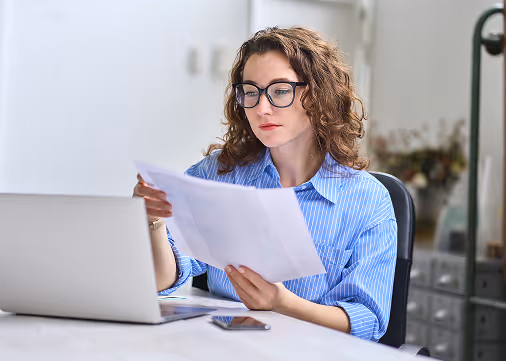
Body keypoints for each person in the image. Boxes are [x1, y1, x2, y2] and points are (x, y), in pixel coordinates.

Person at [133, 27, 397, 342]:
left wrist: (282, 304)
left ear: (316, 95)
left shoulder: (368, 199)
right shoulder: (217, 174)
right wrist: (154, 222)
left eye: (280, 90)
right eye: (251, 91)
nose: (262, 108)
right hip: (221, 348)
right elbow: (166, 281)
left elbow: (367, 320)